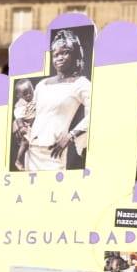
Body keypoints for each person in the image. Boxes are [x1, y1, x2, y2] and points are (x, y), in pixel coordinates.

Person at [23, 29, 91, 171]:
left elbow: (95, 112)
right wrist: (19, 122)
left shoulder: (81, 84)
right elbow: (30, 111)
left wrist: (71, 136)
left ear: (75, 54)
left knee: (55, 192)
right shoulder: (42, 84)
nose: (59, 58)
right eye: (56, 54)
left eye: (65, 52)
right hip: (32, 150)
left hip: (55, 151)